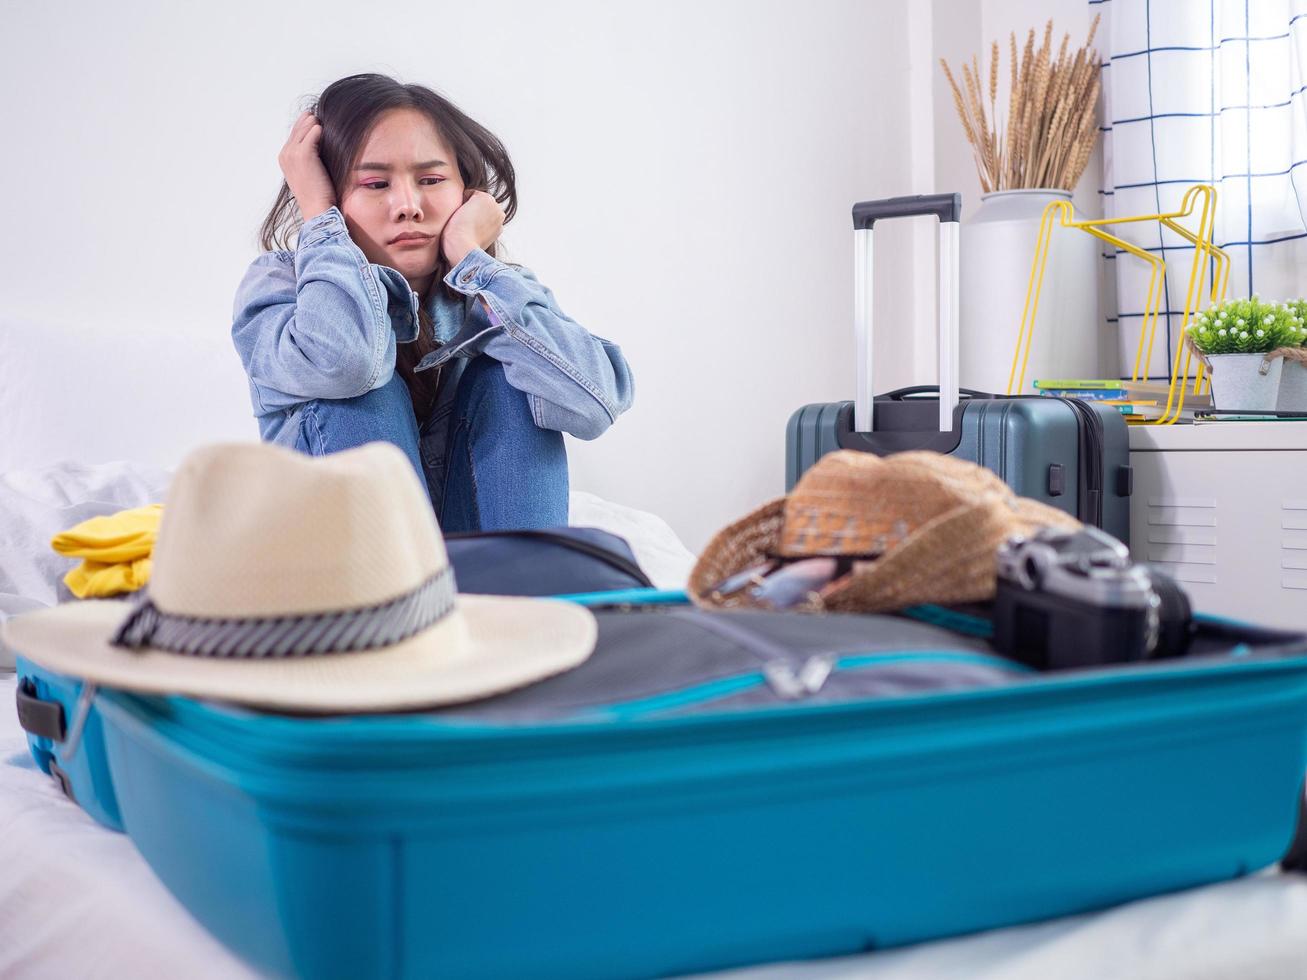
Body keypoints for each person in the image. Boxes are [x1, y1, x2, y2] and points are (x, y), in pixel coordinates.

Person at [231, 73, 634, 532]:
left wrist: (472, 259)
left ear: (466, 193)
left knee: (513, 370)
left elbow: (596, 403)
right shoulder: (280, 286)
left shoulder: (493, 292)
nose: (409, 205)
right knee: (362, 387)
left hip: (489, 576)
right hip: (350, 577)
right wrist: (320, 221)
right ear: (332, 198)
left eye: (431, 179)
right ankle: (400, 600)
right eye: (375, 184)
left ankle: (520, 593)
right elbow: (346, 363)